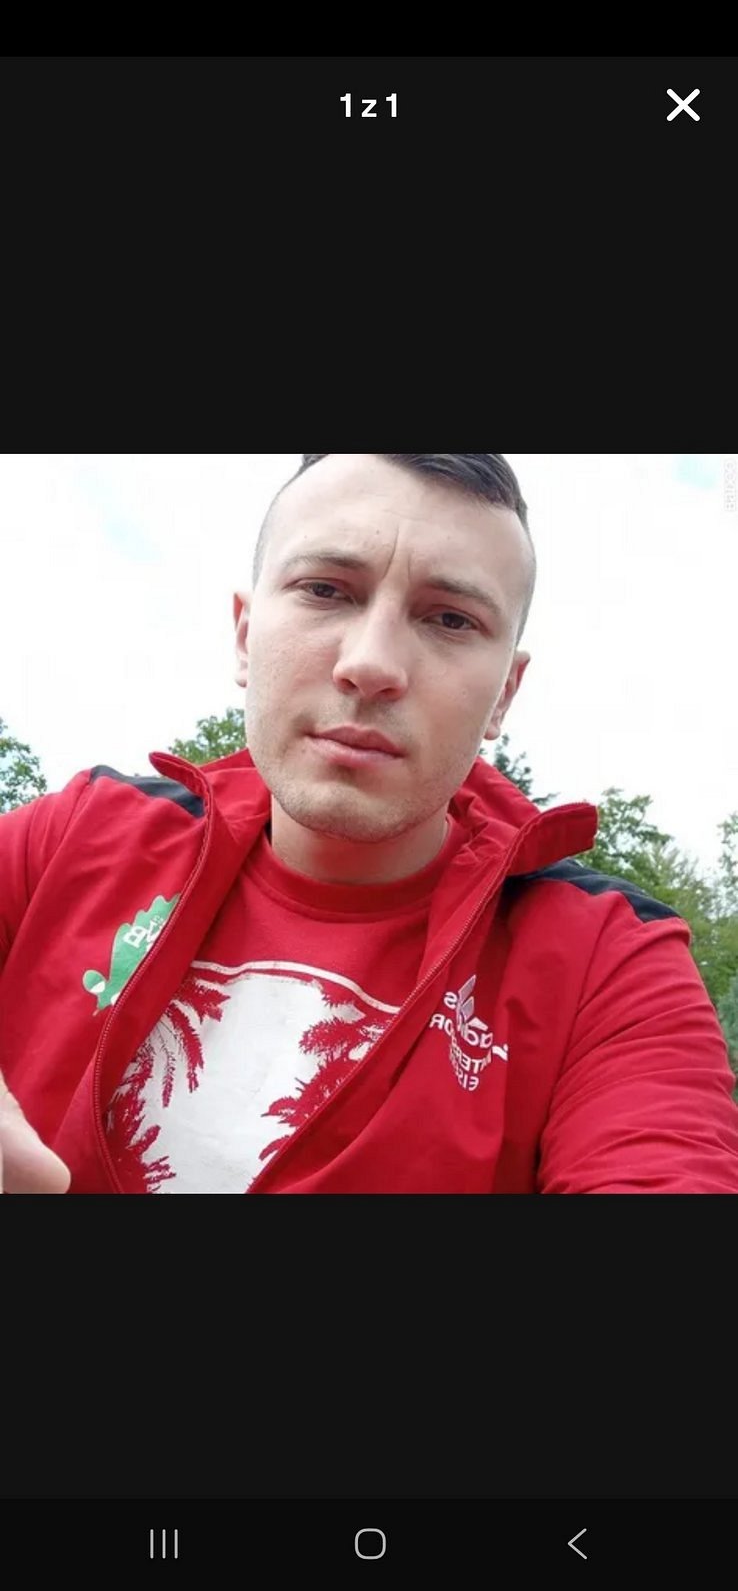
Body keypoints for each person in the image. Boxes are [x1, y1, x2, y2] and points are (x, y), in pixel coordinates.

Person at [2, 452, 737, 1194]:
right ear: (245, 636)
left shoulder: (609, 964)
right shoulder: (79, 837)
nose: (372, 663)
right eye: (325, 590)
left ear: (505, 695)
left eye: (450, 619)